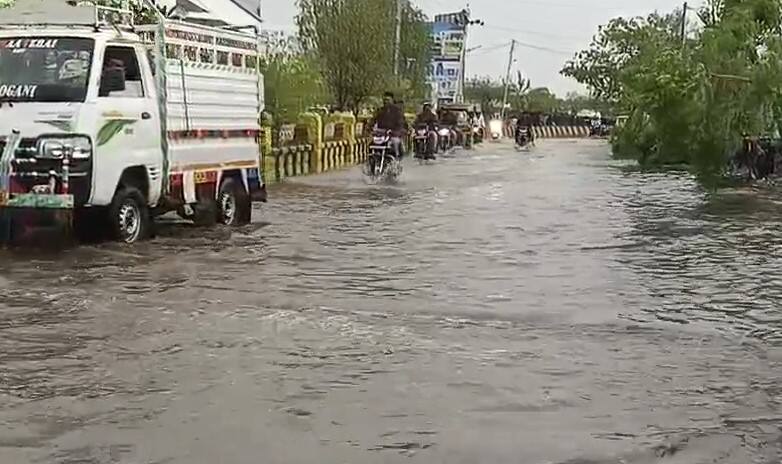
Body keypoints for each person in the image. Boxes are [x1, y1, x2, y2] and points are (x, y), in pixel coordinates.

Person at [372, 91, 405, 159]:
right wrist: (370, 129)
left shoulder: (397, 111)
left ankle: (395, 160)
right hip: (381, 135)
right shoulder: (380, 111)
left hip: (393, 134)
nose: (386, 102)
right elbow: (373, 121)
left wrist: (396, 132)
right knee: (371, 144)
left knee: (395, 142)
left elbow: (400, 124)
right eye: (384, 100)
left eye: (388, 100)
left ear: (392, 100)